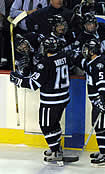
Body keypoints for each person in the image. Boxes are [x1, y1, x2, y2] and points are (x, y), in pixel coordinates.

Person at [9, 35, 78, 166]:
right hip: (63, 98)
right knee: (54, 124)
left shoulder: (45, 63)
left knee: (46, 126)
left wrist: (17, 79)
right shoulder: (62, 56)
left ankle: (56, 152)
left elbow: (33, 84)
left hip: (51, 101)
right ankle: (57, 148)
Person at [72, 38, 105, 167]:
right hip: (100, 99)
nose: (85, 51)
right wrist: (73, 56)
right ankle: (103, 151)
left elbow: (103, 85)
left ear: (92, 50)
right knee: (97, 124)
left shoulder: (98, 64)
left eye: (87, 48)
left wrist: (101, 102)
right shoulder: (93, 61)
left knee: (100, 125)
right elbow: (84, 64)